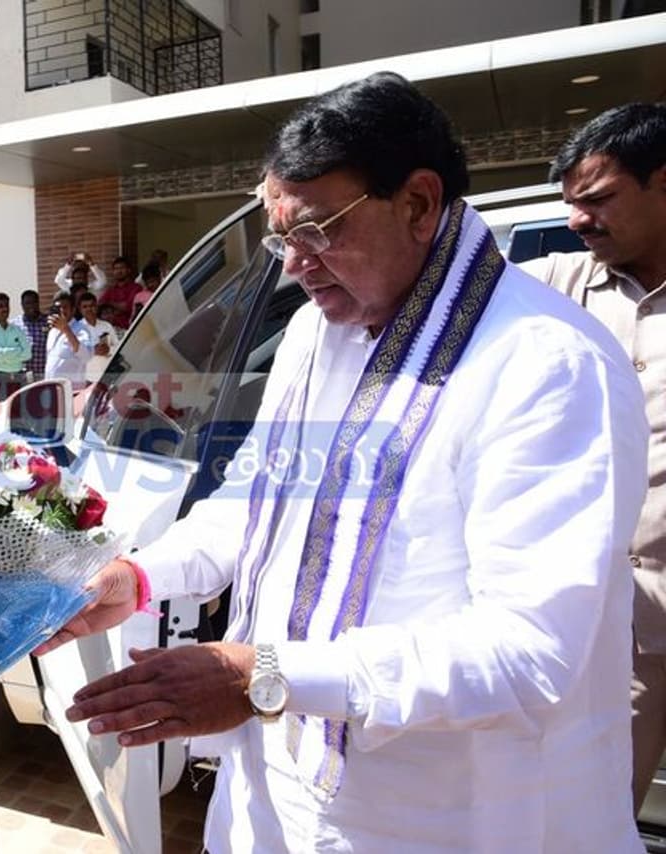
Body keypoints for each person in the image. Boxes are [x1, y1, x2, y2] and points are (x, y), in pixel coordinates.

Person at [39, 72, 649, 852]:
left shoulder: (546, 363)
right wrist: (140, 577)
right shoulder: (313, 332)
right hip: (277, 791)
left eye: (317, 231)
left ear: (419, 204)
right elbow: (256, 501)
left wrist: (261, 676)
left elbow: (528, 651)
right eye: (280, 238)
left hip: (450, 815)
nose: (294, 265)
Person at [520, 102, 666, 813]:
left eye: (598, 199)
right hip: (616, 635)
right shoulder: (552, 290)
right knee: (595, 819)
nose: (578, 220)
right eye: (571, 204)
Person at [0, 291, 31, 403]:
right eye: (1, 306)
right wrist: (17, 351)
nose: (5, 309)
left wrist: (5, 355)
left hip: (18, 380)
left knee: (18, 413)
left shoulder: (17, 329)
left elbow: (28, 354)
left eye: (7, 305)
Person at [43, 292, 91, 387]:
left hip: (72, 389)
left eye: (65, 307)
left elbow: (86, 356)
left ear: (73, 310)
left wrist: (66, 330)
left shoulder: (81, 329)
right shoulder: (52, 331)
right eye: (58, 307)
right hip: (52, 388)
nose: (61, 310)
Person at [75, 292, 116, 383]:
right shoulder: (76, 329)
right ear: (80, 309)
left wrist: (109, 349)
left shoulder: (106, 326)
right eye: (85, 307)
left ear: (97, 307)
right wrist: (93, 350)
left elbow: (117, 346)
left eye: (92, 306)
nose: (89, 309)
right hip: (87, 377)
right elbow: (74, 353)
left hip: (107, 374)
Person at [12, 289, 49, 381]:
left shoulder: (48, 322)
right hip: (23, 378)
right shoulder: (14, 325)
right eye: (28, 303)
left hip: (44, 376)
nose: (31, 306)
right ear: (22, 305)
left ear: (38, 303)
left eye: (34, 302)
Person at [97, 256, 142, 329]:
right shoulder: (111, 290)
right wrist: (117, 307)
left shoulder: (136, 288)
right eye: (116, 269)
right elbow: (99, 305)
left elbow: (128, 307)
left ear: (129, 270)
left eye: (122, 268)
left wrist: (110, 305)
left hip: (130, 328)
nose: (119, 271)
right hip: (111, 328)